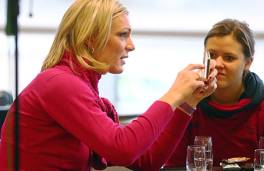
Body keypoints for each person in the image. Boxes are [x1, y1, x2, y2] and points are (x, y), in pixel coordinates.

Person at [0, 0, 217, 171]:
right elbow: (123, 149)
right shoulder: (59, 84)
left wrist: (188, 102)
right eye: (123, 35)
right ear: (91, 38)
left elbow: (148, 161)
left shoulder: (76, 87)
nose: (131, 46)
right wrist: (174, 94)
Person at [165, 19, 264, 169]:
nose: (217, 64)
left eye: (229, 58)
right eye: (211, 55)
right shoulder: (188, 104)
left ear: (247, 63)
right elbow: (174, 166)